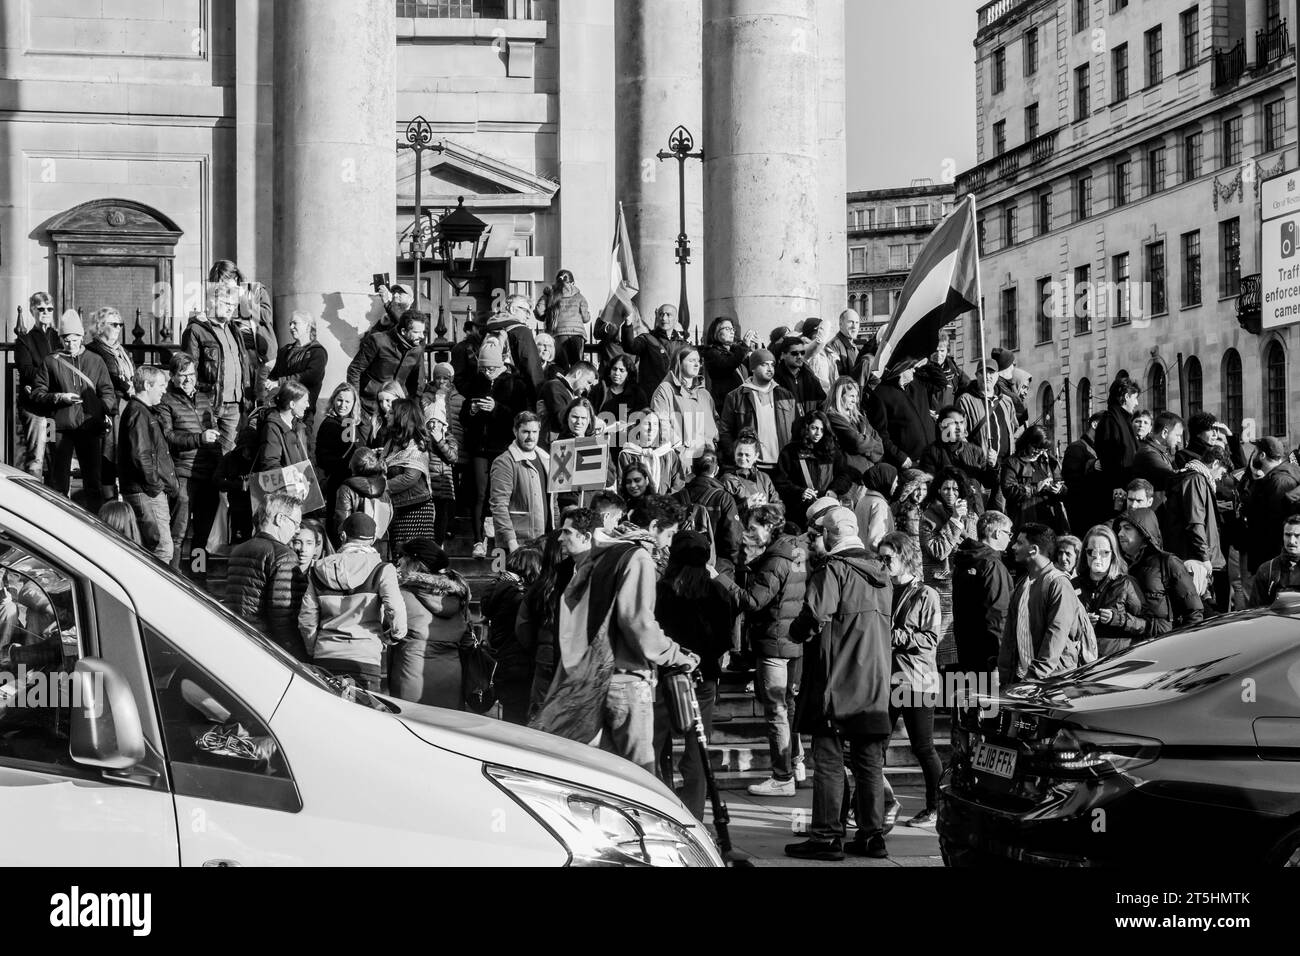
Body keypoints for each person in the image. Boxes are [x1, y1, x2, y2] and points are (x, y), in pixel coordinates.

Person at [529, 496, 700, 773]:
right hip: (627, 680)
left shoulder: (602, 553)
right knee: (639, 775)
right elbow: (638, 623)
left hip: (595, 677)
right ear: (654, 526)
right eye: (669, 534)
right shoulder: (637, 556)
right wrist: (675, 654)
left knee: (604, 775)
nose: (668, 543)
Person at [786, 507, 893, 861]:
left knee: (829, 759)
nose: (813, 542)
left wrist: (796, 631)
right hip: (874, 682)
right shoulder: (882, 573)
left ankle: (827, 836)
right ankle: (871, 836)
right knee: (869, 763)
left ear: (831, 536)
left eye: (817, 535)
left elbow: (815, 616)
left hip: (837, 680)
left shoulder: (833, 569)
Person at [710, 504, 807, 797]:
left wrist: (719, 578)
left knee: (776, 709)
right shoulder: (794, 552)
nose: (748, 534)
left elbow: (752, 601)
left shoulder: (776, 560)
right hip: (790, 641)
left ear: (769, 527)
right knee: (786, 706)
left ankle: (782, 776)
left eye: (753, 528)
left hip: (775, 642)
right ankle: (794, 764)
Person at [655, 530, 735, 820]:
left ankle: (656, 810)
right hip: (703, 677)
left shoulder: (663, 589)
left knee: (654, 745)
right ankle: (694, 816)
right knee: (697, 750)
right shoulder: (717, 592)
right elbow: (724, 639)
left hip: (666, 675)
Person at [877, 532, 943, 829]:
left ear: (904, 557)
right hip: (887, 677)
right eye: (880, 557)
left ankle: (936, 806)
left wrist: (895, 636)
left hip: (917, 681)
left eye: (888, 557)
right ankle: (876, 803)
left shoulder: (925, 594)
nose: (883, 562)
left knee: (923, 747)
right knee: (876, 746)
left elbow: (930, 638)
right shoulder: (881, 588)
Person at [299, 513, 406, 691]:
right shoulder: (383, 570)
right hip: (365, 659)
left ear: (343, 536)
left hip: (325, 657)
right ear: (372, 540)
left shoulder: (318, 569)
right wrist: (391, 637)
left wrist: (314, 649)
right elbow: (397, 612)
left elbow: (306, 619)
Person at [30, 310, 117, 512]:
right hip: (58, 426)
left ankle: (96, 520)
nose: (71, 344)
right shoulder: (51, 361)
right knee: (57, 480)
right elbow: (37, 393)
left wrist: (101, 410)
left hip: (90, 425)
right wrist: (59, 398)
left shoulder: (95, 360)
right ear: (61, 339)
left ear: (81, 337)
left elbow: (107, 392)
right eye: (67, 340)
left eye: (75, 339)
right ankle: (58, 518)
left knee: (93, 480)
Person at [461, 336, 529, 558]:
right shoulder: (476, 381)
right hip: (479, 447)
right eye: (484, 368)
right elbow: (463, 415)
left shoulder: (515, 384)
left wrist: (496, 408)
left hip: (502, 447)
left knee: (500, 495)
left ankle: (501, 540)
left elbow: (520, 418)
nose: (488, 372)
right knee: (479, 493)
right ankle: (478, 541)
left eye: (492, 368)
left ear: (501, 365)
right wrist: (470, 411)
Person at [997, 523, 1088, 686]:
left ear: (1034, 549)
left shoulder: (1058, 584)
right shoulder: (1022, 583)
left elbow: (1055, 636)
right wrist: (1007, 678)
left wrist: (1032, 679)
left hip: (1052, 685)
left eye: (1019, 543)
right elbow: (1010, 637)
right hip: (1023, 681)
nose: (1013, 547)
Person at [157, 353, 222, 571]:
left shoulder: (204, 399)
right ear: (172, 376)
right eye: (182, 375)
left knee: (202, 536)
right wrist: (199, 439)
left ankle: (198, 577)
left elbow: (212, 431)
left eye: (191, 374)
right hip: (183, 473)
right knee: (179, 533)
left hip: (208, 473)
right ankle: (174, 578)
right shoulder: (166, 401)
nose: (188, 380)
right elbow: (168, 437)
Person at [391, 538, 471, 709]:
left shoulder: (401, 593)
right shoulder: (457, 596)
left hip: (411, 672)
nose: (399, 561)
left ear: (415, 562)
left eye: (402, 556)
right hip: (452, 675)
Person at [225, 493, 304, 659]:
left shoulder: (239, 550)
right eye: (296, 523)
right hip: (267, 645)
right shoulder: (284, 556)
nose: (297, 530)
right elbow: (282, 614)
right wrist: (296, 653)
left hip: (238, 635)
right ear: (280, 519)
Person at [117, 366, 178, 564]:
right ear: (146, 385)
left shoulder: (140, 412)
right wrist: (155, 486)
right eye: (160, 385)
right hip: (146, 492)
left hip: (145, 490)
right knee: (162, 548)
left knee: (155, 547)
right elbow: (140, 455)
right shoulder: (138, 413)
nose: (164, 390)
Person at [920, 468, 980, 667]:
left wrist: (963, 521)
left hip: (967, 586)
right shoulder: (928, 517)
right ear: (937, 490)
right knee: (945, 654)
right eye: (946, 488)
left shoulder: (970, 515)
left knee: (967, 651)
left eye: (955, 489)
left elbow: (975, 548)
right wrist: (954, 520)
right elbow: (937, 551)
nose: (951, 493)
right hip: (942, 589)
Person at [182, 279, 250, 452]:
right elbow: (189, 369)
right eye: (227, 303)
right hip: (209, 403)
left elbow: (243, 364)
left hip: (235, 404)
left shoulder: (234, 329)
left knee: (230, 456)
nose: (231, 308)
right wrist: (196, 400)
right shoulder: (196, 330)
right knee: (207, 454)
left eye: (234, 305)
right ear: (213, 301)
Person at [518, 529, 580, 717]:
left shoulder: (541, 586)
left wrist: (536, 648)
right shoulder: (578, 579)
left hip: (544, 657)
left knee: (541, 717)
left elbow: (522, 626)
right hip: (573, 659)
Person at [1113, 509, 1205, 637]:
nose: (1120, 533)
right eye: (1119, 528)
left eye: (1127, 528)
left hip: (1165, 643)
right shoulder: (1117, 566)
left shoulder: (1168, 562)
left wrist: (1185, 642)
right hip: (1129, 645)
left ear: (1144, 533)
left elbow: (1193, 611)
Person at [481, 543, 543, 724]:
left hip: (504, 662)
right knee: (520, 720)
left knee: (511, 717)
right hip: (521, 664)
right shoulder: (520, 596)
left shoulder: (499, 589)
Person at [1162, 445, 1229, 610]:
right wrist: (1205, 558)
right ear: (1215, 463)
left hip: (1193, 555)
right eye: (1222, 471)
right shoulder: (1196, 480)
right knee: (1200, 608)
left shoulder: (1192, 478)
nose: (1220, 477)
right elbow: (1195, 522)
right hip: (1196, 559)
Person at [951, 510, 1014, 676]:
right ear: (997, 533)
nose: (1010, 538)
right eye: (1009, 533)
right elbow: (997, 613)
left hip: (966, 648)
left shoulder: (963, 561)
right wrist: (998, 656)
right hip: (988, 656)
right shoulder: (992, 565)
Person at [717, 348, 798, 468]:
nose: (770, 369)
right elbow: (725, 431)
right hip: (752, 466)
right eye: (764, 364)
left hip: (783, 466)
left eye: (772, 365)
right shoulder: (735, 396)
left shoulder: (786, 395)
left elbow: (797, 428)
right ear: (753, 368)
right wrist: (736, 455)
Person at [85, 307, 134, 502]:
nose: (118, 328)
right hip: (109, 408)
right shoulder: (93, 350)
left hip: (126, 407)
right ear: (100, 326)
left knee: (123, 453)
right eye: (114, 324)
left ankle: (120, 499)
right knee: (108, 454)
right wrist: (126, 386)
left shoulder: (122, 351)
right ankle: (108, 502)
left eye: (120, 324)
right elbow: (104, 377)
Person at [1076, 524, 1147, 657]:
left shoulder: (1126, 583)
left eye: (1104, 552)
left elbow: (1145, 624)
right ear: (1085, 553)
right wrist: (1082, 623)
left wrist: (1118, 619)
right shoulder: (1073, 585)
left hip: (1116, 659)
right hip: (1081, 660)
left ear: (1113, 554)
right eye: (1091, 552)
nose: (1097, 558)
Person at [490, 412, 555, 554]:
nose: (530, 437)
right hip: (517, 544)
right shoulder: (504, 462)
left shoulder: (546, 459)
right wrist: (511, 542)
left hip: (544, 541)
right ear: (515, 431)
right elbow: (499, 505)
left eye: (534, 432)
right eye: (525, 432)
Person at [346, 310, 428, 420]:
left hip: (397, 409)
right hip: (369, 406)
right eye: (417, 332)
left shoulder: (417, 350)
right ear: (403, 331)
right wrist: (355, 402)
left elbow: (416, 384)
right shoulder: (377, 341)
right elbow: (354, 370)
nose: (422, 336)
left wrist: (413, 410)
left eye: (423, 332)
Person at [13, 292, 60, 480]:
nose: (45, 312)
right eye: (41, 309)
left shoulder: (58, 338)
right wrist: (52, 375)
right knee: (36, 458)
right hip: (36, 409)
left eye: (49, 309)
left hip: (54, 409)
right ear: (33, 310)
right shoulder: (25, 340)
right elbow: (25, 371)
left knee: (54, 455)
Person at [650, 347, 718, 474]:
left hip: (707, 464)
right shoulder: (665, 390)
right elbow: (661, 427)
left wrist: (712, 449)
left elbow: (715, 426)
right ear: (679, 363)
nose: (697, 364)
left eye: (698, 361)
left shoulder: (704, 394)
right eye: (692, 360)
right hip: (680, 465)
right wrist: (681, 454)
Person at [382, 399, 437, 555]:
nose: (386, 414)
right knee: (400, 558)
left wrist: (381, 486)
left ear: (402, 417)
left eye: (391, 412)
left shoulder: (416, 444)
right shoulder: (392, 443)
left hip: (416, 509)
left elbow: (410, 478)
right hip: (398, 507)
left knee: (416, 559)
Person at [673, 449, 744, 567]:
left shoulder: (677, 497)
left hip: (681, 564)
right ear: (716, 470)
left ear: (693, 469)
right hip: (715, 565)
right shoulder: (724, 498)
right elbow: (733, 540)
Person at [919, 406, 998, 508]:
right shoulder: (931, 452)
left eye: (961, 422)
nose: (959, 427)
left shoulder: (976, 451)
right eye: (954, 423)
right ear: (941, 426)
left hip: (973, 510)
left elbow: (989, 483)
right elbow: (930, 487)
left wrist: (993, 466)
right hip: (944, 512)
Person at [1242, 437, 1300, 575]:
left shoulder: (1280, 481)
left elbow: (1275, 526)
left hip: (1271, 563)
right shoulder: (1275, 477)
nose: (1252, 455)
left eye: (1255, 451)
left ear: (1262, 455)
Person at [774, 411, 843, 526]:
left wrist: (834, 490)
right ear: (805, 428)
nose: (818, 433)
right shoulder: (790, 452)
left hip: (826, 508)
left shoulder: (832, 451)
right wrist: (799, 492)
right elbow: (780, 481)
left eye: (822, 430)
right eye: (814, 428)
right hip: (798, 511)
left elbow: (843, 474)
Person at [315, 383, 364, 545]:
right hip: (337, 483)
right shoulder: (329, 424)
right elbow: (322, 458)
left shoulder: (355, 424)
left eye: (347, 402)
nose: (342, 405)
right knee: (338, 525)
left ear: (354, 404)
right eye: (339, 400)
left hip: (354, 484)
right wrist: (347, 465)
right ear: (333, 400)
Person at [268, 311, 329, 437]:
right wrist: (267, 382)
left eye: (295, 323)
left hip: (303, 413)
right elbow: (274, 375)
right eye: (290, 324)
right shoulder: (285, 350)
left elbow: (311, 376)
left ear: (308, 326)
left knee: (302, 449)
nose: (291, 327)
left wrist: (279, 382)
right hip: (281, 410)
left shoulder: (317, 352)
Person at [869, 359, 934, 469]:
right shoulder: (881, 394)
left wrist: (927, 362)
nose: (914, 370)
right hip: (909, 463)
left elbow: (940, 381)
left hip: (931, 457)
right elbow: (880, 433)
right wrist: (899, 456)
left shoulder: (918, 385)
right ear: (901, 369)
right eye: (910, 368)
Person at [1001, 425, 1067, 532]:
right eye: (1036, 448)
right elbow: (1008, 490)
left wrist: (1059, 489)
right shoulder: (1012, 463)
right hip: (1025, 519)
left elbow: (1063, 485)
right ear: (1028, 442)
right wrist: (1035, 488)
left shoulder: (1050, 461)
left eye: (1043, 449)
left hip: (1050, 518)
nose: (1039, 452)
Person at [955, 357, 1015, 471]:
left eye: (991, 372)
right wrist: (976, 456)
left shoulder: (1006, 401)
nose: (987, 376)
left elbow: (1013, 429)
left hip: (1005, 466)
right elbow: (959, 434)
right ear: (977, 375)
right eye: (983, 373)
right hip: (979, 466)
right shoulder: (965, 400)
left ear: (997, 375)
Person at [334, 447, 394, 556]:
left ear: (353, 465)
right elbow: (390, 513)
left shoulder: (346, 488)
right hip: (381, 541)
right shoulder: (383, 485)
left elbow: (342, 519)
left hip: (355, 545)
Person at [485, 295, 546, 397]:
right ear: (513, 309)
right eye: (526, 311)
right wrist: (539, 395)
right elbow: (531, 366)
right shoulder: (522, 331)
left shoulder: (490, 330)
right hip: (516, 391)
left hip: (492, 390)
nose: (528, 316)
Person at [621, 303, 686, 398]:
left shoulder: (682, 344)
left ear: (676, 319)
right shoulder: (647, 339)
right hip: (651, 394)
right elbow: (629, 346)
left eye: (668, 315)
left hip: (674, 395)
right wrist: (628, 324)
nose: (664, 318)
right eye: (661, 314)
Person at [823, 376, 884, 473]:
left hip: (868, 473)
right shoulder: (833, 418)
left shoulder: (860, 416)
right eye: (851, 396)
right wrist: (870, 448)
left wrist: (866, 446)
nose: (855, 400)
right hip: (850, 475)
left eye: (856, 396)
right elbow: (857, 443)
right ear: (839, 396)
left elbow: (880, 445)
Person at [1094, 376, 1141, 499]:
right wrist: (1116, 485)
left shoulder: (1123, 420)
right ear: (1126, 397)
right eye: (1135, 398)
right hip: (1118, 493)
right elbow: (1109, 456)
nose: (1137, 403)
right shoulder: (1110, 421)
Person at [1062, 411, 1107, 538]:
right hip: (1083, 513)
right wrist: (1092, 467)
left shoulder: (1101, 448)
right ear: (1095, 424)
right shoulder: (1076, 448)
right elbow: (1071, 482)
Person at [618, 411, 685, 496]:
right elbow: (622, 485)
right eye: (647, 424)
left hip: (665, 505)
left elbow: (678, 485)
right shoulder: (627, 454)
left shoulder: (668, 453)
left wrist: (666, 501)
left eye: (655, 424)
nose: (651, 428)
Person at [589, 353, 647, 450]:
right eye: (614, 369)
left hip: (628, 443)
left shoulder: (637, 394)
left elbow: (643, 417)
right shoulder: (599, 390)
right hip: (602, 441)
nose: (617, 373)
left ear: (628, 373)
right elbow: (589, 413)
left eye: (621, 370)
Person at [254, 381, 311, 477]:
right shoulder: (272, 427)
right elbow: (270, 465)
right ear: (292, 404)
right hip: (286, 487)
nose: (308, 405)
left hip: (301, 485)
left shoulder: (298, 426)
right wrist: (291, 482)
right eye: (305, 401)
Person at [702, 316, 757, 410]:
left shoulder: (736, 352)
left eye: (732, 329)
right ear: (716, 332)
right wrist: (744, 347)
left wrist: (757, 349)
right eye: (727, 329)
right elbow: (728, 364)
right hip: (725, 405)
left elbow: (753, 372)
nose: (732, 332)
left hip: (743, 403)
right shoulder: (711, 352)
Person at [538, 269, 591, 369]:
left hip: (558, 334)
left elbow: (539, 312)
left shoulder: (550, 294)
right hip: (577, 335)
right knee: (577, 365)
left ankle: (562, 383)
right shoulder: (579, 297)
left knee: (561, 365)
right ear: (573, 283)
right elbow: (586, 318)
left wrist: (546, 297)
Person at [720, 432, 779, 520]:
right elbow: (723, 513)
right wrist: (746, 504)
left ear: (756, 456)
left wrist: (766, 506)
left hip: (764, 529)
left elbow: (779, 505)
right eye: (740, 454)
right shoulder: (727, 480)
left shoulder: (764, 478)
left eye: (747, 455)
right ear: (734, 453)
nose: (743, 458)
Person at [538, 361, 598, 446]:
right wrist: (593, 421)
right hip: (548, 448)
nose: (588, 388)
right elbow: (560, 419)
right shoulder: (554, 386)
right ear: (578, 373)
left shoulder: (569, 393)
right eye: (588, 382)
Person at [1131, 411, 1184, 507]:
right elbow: (1174, 476)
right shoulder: (1148, 453)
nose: (1179, 440)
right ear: (1164, 432)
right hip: (1151, 513)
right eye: (1177, 435)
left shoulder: (1161, 451)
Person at [1248, 514, 1300, 607]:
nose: (1291, 541)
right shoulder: (1267, 569)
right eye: (1288, 535)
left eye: (1297, 536)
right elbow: (1255, 610)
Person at [773, 334, 828, 418]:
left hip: (809, 427)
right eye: (795, 353)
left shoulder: (810, 377)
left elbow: (822, 404)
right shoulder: (775, 381)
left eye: (802, 353)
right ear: (783, 355)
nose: (799, 356)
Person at [891, 468, 931, 554]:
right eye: (917, 489)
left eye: (924, 489)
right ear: (909, 489)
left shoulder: (922, 507)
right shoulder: (901, 507)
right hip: (908, 553)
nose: (921, 494)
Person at [826, 309, 868, 382]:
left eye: (857, 322)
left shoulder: (853, 346)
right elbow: (835, 378)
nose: (854, 326)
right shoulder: (833, 345)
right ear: (841, 324)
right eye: (850, 322)